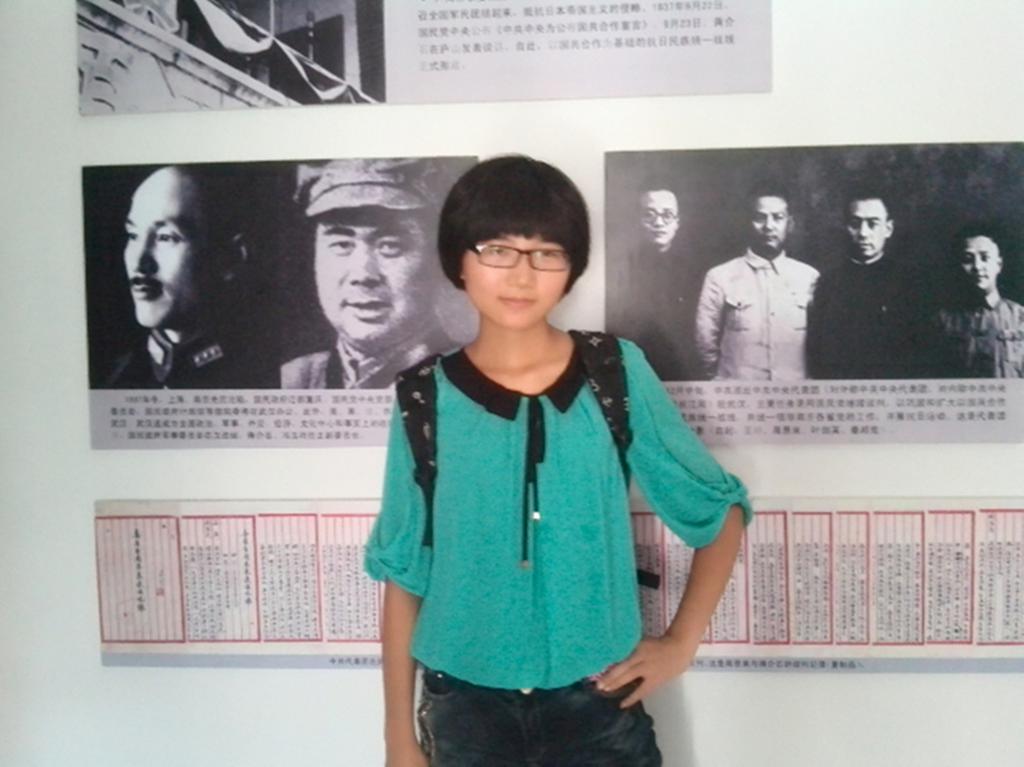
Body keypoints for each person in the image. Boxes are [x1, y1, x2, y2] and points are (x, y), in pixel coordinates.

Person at [364, 156, 751, 766]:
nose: (522, 275)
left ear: (571, 268)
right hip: (464, 710)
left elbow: (718, 510)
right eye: (498, 249)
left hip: (597, 706)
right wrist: (397, 736)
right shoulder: (424, 395)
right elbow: (405, 570)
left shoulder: (613, 372)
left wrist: (681, 643)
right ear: (458, 260)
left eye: (547, 253)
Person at [281, 159, 464, 389]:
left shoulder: (469, 377)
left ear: (438, 260)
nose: (363, 274)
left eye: (390, 246)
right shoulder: (294, 380)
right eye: (341, 244)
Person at [105, 165, 260, 388]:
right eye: (133, 235)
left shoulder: (269, 376)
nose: (139, 262)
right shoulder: (113, 381)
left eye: (166, 237)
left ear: (229, 259)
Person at [806, 190, 937, 379]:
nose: (863, 233)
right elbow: (819, 351)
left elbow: (922, 351)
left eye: (872, 224)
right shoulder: (828, 283)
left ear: (888, 229)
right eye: (855, 224)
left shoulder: (911, 283)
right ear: (845, 227)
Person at [694, 186, 819, 380]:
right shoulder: (719, 276)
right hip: (737, 391)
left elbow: (820, 342)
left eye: (778, 218)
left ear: (790, 223)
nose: (769, 226)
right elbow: (705, 342)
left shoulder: (809, 277)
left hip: (794, 391)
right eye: (760, 218)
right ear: (747, 222)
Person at [606, 186, 702, 380]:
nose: (658, 223)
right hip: (635, 366)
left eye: (667, 215)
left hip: (683, 367)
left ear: (677, 222)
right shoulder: (621, 267)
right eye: (649, 215)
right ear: (639, 220)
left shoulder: (696, 270)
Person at [936, 224, 1024, 377]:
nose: (977, 266)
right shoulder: (943, 321)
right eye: (968, 259)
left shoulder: (1020, 318)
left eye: (985, 258)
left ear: (998, 265)